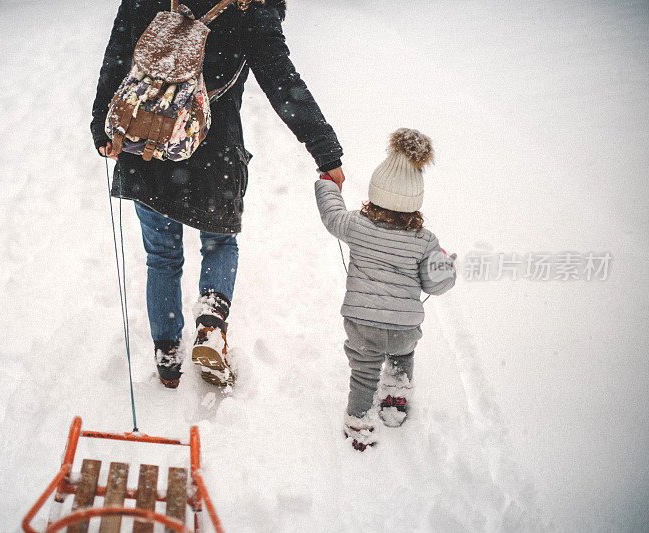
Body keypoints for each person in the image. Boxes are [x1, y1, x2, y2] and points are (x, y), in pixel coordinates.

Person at [91, 0, 345, 388]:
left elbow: (117, 57)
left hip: (148, 145)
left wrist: (102, 126)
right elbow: (283, 83)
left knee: (161, 256)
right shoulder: (250, 7)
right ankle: (210, 324)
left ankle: (167, 354)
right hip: (213, 151)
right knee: (219, 243)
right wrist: (324, 150)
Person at [315, 128, 456, 451]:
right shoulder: (425, 241)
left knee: (364, 374)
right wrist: (446, 267)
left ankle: (360, 423)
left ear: (375, 193)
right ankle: (394, 400)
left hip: (363, 324)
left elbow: (332, 215)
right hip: (405, 326)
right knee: (402, 356)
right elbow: (438, 283)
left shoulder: (357, 226)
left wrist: (327, 184)